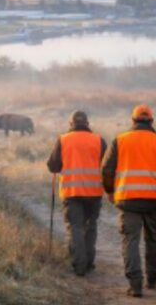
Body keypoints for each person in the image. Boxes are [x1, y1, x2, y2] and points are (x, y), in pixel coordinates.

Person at [101, 104, 156, 298]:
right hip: (155, 200)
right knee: (154, 239)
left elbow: (106, 170)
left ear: (133, 121)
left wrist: (110, 191)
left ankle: (135, 285)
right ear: (151, 121)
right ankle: (153, 279)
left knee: (131, 241)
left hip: (128, 201)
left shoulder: (120, 141)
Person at [47, 110, 107, 276]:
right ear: (87, 123)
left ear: (71, 124)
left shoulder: (63, 140)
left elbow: (52, 166)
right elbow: (108, 165)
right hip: (94, 192)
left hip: (71, 193)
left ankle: (79, 266)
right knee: (90, 227)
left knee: (75, 228)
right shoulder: (99, 140)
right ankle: (89, 263)